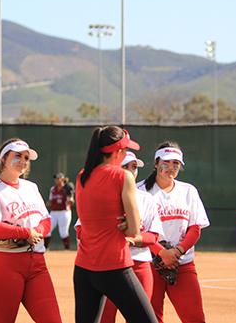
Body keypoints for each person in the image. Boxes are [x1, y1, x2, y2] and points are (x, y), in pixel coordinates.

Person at [74, 126, 157, 323]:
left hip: (84, 269)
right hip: (114, 266)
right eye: (126, 150)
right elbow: (134, 230)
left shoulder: (82, 175)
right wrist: (127, 221)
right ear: (119, 152)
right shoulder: (123, 176)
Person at [0, 138, 62, 323]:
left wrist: (38, 229)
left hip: (37, 264)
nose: (23, 161)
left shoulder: (31, 187)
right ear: (3, 159)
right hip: (5, 264)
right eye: (17, 156)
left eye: (26, 157)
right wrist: (25, 233)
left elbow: (45, 218)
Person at [139, 141, 210, 323]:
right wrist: (161, 253)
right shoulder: (139, 191)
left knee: (195, 318)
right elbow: (137, 230)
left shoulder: (188, 191)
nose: (171, 167)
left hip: (182, 263)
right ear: (156, 164)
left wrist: (177, 252)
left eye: (176, 164)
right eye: (166, 162)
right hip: (149, 263)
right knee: (150, 318)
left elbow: (195, 228)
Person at [99, 151, 164, 323]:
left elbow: (154, 235)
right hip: (109, 266)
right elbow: (82, 231)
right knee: (106, 317)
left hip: (140, 265)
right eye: (125, 166)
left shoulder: (146, 199)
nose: (130, 171)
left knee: (140, 317)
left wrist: (133, 240)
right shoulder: (99, 195)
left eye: (134, 167)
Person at [44, 172, 74, 250]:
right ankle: (45, 249)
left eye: (58, 178)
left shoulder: (67, 188)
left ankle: (67, 250)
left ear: (63, 179)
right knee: (47, 230)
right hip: (54, 212)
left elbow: (71, 201)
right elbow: (50, 201)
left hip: (64, 212)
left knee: (63, 232)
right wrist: (46, 204)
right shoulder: (53, 189)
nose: (56, 180)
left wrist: (70, 198)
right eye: (56, 179)